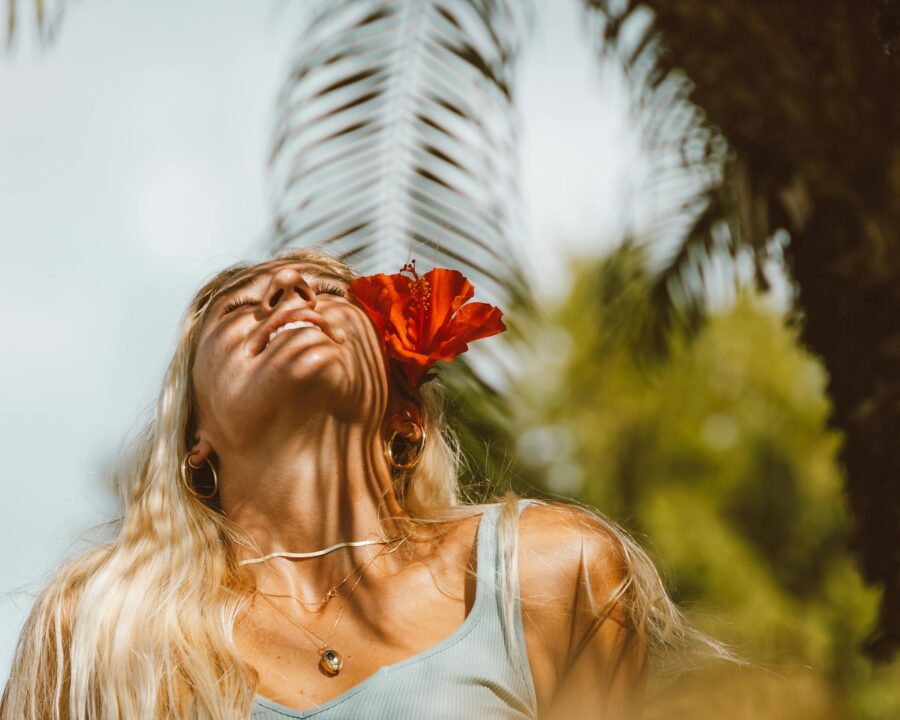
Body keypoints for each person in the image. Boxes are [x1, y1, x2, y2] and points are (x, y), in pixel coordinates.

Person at [1, 248, 737, 719]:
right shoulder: (100, 624)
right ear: (196, 440)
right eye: (236, 308)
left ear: (405, 416)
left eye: (326, 291)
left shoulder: (550, 576)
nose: (288, 290)